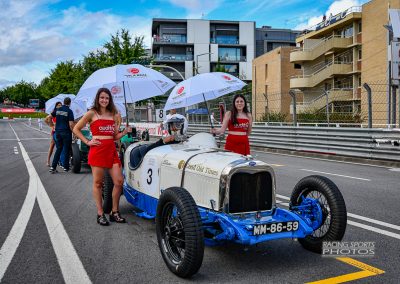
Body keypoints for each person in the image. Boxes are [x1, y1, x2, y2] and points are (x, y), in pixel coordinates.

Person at [73, 88, 131, 226]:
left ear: (110, 100)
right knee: (98, 183)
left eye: (107, 98)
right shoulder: (91, 113)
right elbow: (76, 129)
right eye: (102, 98)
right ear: (98, 99)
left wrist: (124, 132)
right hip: (97, 151)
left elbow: (114, 136)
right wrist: (87, 142)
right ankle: (100, 213)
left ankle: (114, 212)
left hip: (111, 151)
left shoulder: (113, 115)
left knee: (119, 181)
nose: (104, 100)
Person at [48, 97, 74, 173]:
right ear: (70, 103)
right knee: (66, 149)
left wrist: (52, 126)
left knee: (58, 149)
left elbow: (49, 117)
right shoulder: (69, 111)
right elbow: (71, 124)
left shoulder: (57, 109)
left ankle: (53, 167)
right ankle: (66, 167)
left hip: (58, 133)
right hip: (66, 133)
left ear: (63, 102)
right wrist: (74, 133)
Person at [45, 101, 62, 166]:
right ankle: (48, 161)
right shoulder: (53, 112)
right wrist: (51, 126)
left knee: (60, 147)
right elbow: (46, 119)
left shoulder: (62, 113)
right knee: (52, 146)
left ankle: (59, 161)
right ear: (56, 106)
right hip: (54, 131)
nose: (59, 106)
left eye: (60, 105)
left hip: (61, 131)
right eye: (58, 105)